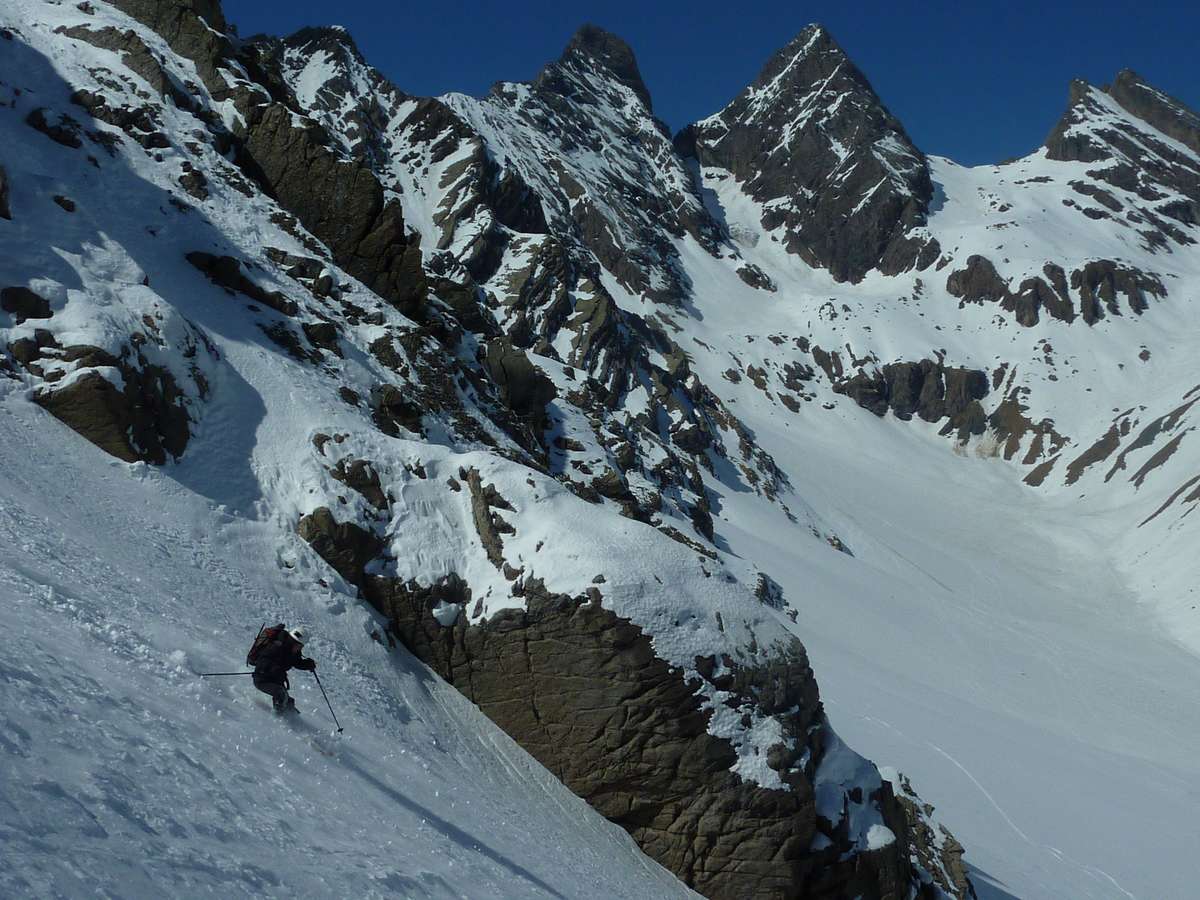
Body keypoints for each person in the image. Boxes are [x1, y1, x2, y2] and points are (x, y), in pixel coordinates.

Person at [249, 624, 316, 713]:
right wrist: (274, 669)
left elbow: (296, 662)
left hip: (276, 680)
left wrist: (308, 664)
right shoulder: (276, 646)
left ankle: (294, 721)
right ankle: (277, 720)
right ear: (294, 642)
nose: (300, 648)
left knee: (289, 702)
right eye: (300, 646)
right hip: (262, 679)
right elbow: (263, 659)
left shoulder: (293, 651)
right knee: (280, 694)